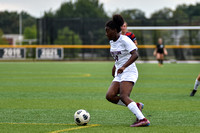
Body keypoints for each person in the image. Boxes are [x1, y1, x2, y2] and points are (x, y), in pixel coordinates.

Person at [105, 14, 150, 127]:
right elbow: (119, 57)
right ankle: (136, 105)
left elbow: (135, 55)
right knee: (110, 96)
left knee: (124, 96)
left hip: (129, 70)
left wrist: (124, 66)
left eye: (108, 31)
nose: (106, 34)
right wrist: (115, 67)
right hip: (120, 72)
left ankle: (143, 119)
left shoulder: (125, 40)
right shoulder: (112, 42)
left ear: (115, 30)